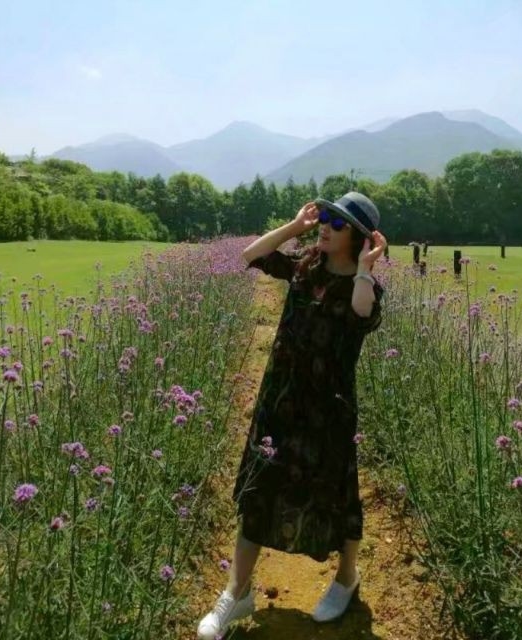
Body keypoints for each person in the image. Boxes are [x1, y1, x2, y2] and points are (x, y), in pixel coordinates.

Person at [197, 192, 388, 640]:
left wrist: (365, 268)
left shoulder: (365, 286)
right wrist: (293, 227)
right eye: (325, 218)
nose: (325, 227)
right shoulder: (305, 267)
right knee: (259, 487)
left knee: (337, 492)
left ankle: (346, 578)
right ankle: (237, 592)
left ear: (360, 239)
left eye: (337, 224)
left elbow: (363, 313)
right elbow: (250, 255)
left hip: (329, 410)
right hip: (279, 400)